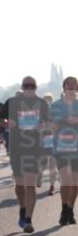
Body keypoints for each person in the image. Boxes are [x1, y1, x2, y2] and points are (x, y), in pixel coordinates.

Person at [0, 76, 51, 233]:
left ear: (35, 87)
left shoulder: (41, 103)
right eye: (26, 85)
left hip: (34, 148)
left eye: (31, 85)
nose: (29, 87)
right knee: (20, 185)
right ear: (22, 86)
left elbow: (49, 124)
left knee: (30, 184)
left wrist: (44, 127)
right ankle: (22, 208)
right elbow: (0, 119)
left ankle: (28, 219)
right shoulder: (12, 102)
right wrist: (6, 123)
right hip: (16, 148)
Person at [50, 76, 78, 225]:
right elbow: (48, 125)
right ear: (64, 87)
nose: (72, 85)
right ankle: (63, 209)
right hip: (61, 147)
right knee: (66, 179)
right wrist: (58, 124)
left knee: (75, 183)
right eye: (69, 83)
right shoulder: (55, 105)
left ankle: (71, 209)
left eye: (74, 83)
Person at [40, 92, 58, 194]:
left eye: (49, 100)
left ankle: (52, 186)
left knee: (52, 164)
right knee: (42, 163)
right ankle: (39, 176)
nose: (47, 102)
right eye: (45, 100)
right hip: (41, 141)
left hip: (54, 140)